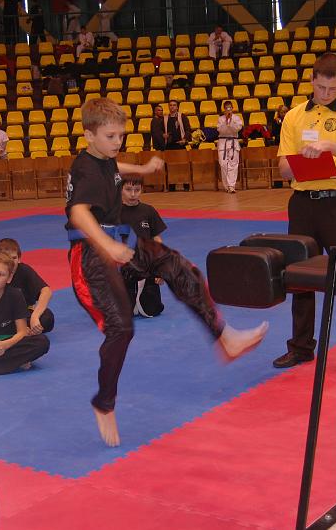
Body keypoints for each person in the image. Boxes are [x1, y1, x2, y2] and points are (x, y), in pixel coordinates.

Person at [66, 98, 269, 447]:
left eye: (120, 135)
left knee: (176, 265)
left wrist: (142, 169)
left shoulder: (102, 157)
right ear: (88, 135)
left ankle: (225, 336)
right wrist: (107, 246)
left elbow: (114, 167)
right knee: (121, 329)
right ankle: (104, 403)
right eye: (111, 136)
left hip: (120, 239)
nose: (117, 142)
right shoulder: (84, 169)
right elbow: (78, 213)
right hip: (90, 254)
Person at [274, 52, 336, 376]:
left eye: (332, 88)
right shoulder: (293, 116)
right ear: (312, 80)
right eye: (320, 87)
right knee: (298, 276)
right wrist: (302, 161)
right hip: (302, 203)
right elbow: (283, 168)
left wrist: (330, 146)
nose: (325, 94)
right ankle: (301, 347)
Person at [0, 252, 50, 375]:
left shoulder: (15, 295)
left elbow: (22, 332)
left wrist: (5, 345)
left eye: (1, 274)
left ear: (9, 278)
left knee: (42, 342)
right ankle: (15, 362)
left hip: (9, 343)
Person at [120, 177, 166, 317]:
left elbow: (157, 240)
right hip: (123, 267)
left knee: (152, 310)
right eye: (128, 190)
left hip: (146, 266)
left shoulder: (148, 211)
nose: (133, 194)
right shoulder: (113, 213)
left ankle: (142, 294)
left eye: (137, 190)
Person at [0, 238, 54, 334]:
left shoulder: (24, 271)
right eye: (7, 258)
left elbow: (46, 291)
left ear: (19, 259)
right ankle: (20, 331)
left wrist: (35, 316)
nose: (12, 262)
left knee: (47, 318)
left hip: (24, 314)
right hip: (1, 316)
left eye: (14, 258)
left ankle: (20, 331)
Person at [216, 100, 243, 193]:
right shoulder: (220, 119)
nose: (228, 109)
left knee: (233, 164)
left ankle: (231, 185)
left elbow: (237, 129)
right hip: (223, 143)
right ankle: (226, 185)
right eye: (227, 108)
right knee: (223, 164)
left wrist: (231, 120)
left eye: (230, 108)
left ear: (232, 108)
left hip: (233, 142)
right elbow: (220, 130)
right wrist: (226, 121)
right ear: (224, 109)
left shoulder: (237, 118)